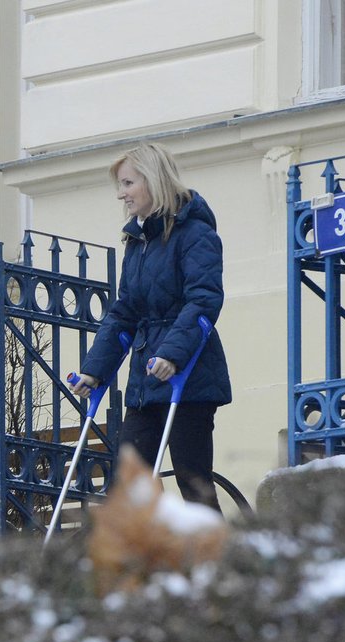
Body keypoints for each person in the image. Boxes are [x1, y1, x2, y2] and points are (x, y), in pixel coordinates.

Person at [71, 142, 231, 511]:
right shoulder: (138, 241)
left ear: (152, 181)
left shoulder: (195, 233)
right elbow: (125, 311)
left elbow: (204, 299)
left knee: (193, 479)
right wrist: (95, 371)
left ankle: (219, 562)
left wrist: (173, 355)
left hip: (189, 377)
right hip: (146, 381)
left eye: (127, 183)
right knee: (129, 481)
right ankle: (148, 560)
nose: (121, 194)